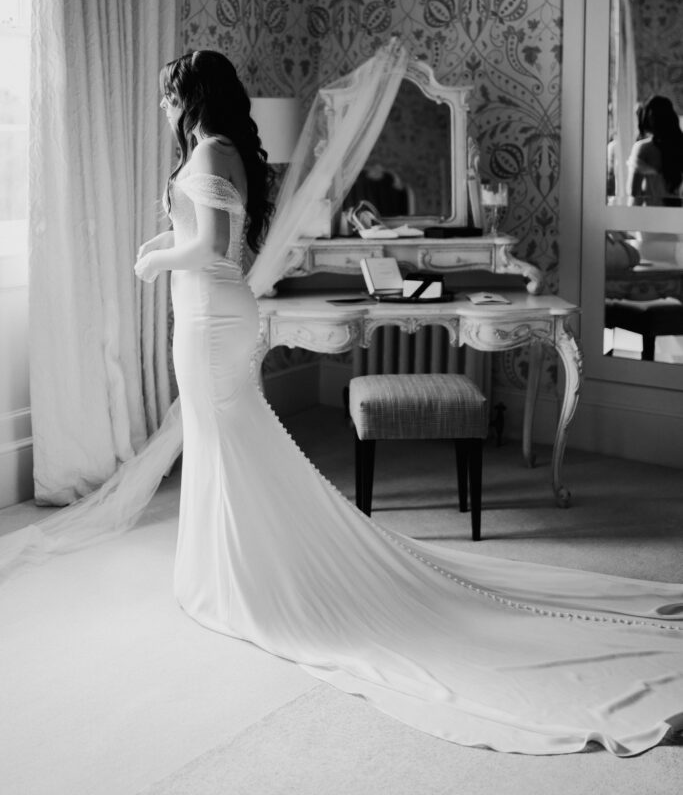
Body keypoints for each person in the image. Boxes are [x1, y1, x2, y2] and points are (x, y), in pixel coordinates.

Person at [135, 50, 683, 757]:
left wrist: (155, 260)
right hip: (219, 311)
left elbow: (211, 250)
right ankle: (230, 564)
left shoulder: (208, 155)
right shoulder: (224, 153)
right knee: (233, 441)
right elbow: (215, 244)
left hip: (210, 317)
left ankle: (246, 577)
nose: (162, 109)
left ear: (188, 96)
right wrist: (165, 242)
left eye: (165, 97)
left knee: (230, 440)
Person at [627, 94, 683, 206]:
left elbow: (633, 192)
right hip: (677, 215)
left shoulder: (643, 149)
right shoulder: (679, 147)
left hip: (651, 214)